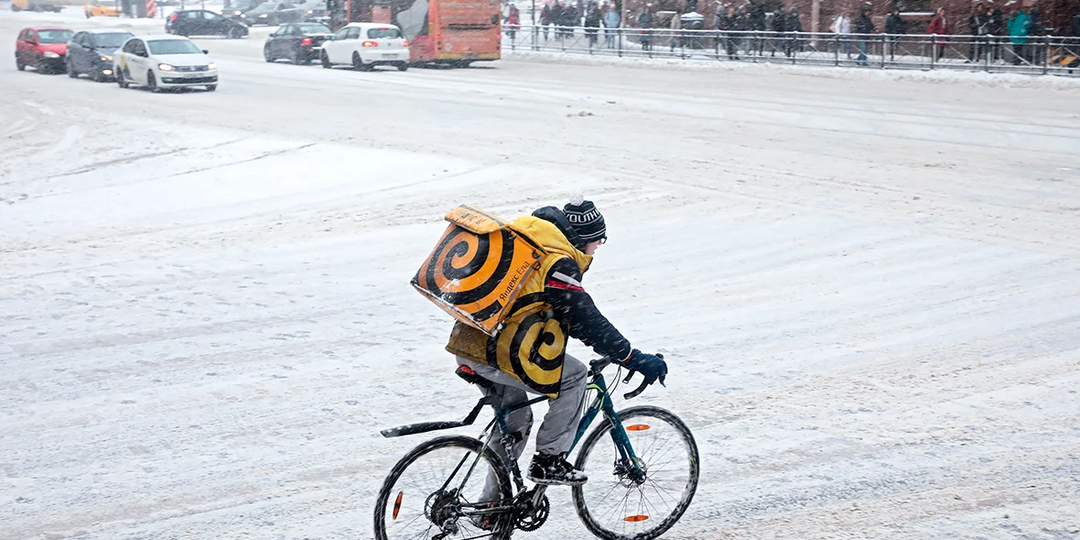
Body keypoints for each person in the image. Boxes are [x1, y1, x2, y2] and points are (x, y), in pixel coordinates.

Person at [447, 198, 669, 491]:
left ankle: (491, 508)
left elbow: (569, 318)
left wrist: (611, 348)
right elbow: (582, 316)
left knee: (515, 424)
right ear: (586, 238)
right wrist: (631, 357)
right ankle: (548, 460)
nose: (598, 248)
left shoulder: (529, 239)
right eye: (598, 241)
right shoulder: (558, 260)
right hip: (500, 351)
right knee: (574, 376)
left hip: (470, 342)